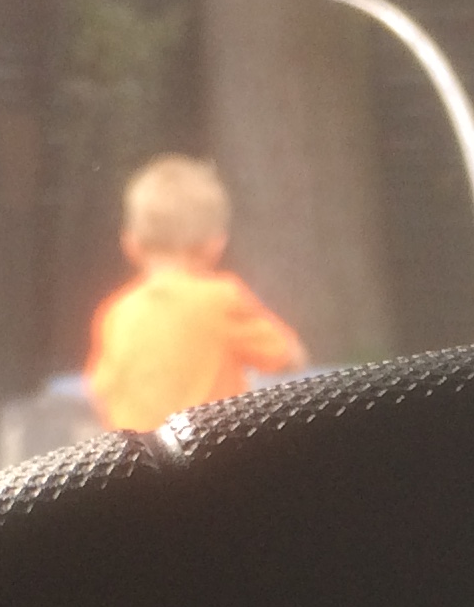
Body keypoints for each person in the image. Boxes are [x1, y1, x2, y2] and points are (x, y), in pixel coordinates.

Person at [82, 155, 306, 434]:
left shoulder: (116, 312)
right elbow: (288, 357)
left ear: (131, 244)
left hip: (139, 455)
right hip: (211, 451)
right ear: (215, 246)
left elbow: (100, 392)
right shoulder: (221, 299)